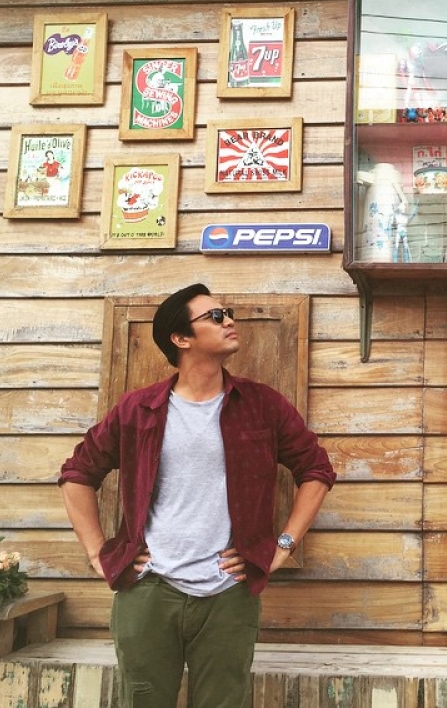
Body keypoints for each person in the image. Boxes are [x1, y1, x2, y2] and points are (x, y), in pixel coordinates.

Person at [58, 283, 336, 708]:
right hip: (149, 590)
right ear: (181, 338)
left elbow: (315, 469)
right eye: (216, 316)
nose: (229, 321)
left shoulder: (261, 405)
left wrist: (283, 544)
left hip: (229, 592)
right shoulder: (138, 409)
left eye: (228, 313)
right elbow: (78, 473)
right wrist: (98, 552)